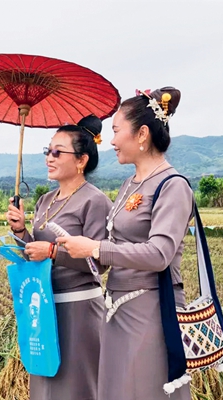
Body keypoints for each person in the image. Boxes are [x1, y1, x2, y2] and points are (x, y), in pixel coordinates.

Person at [56, 87, 192, 399]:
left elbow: (159, 254)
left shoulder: (172, 186)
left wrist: (95, 248)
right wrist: (76, 248)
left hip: (151, 311)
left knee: (143, 389)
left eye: (117, 131)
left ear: (142, 134)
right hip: (116, 310)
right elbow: (114, 245)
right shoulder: (128, 184)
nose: (112, 140)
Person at [6, 115, 112, 400]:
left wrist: (53, 252)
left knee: (76, 386)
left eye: (57, 152)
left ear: (81, 160)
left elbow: (99, 263)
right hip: (43, 305)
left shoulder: (95, 201)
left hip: (78, 309)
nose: (49, 158)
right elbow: (34, 253)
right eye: (47, 151)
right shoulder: (45, 201)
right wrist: (21, 230)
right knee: (44, 385)